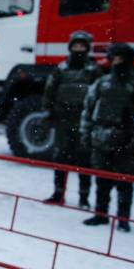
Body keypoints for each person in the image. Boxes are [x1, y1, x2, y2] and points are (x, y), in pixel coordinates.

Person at [81, 43, 134, 232]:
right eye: (114, 57)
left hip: (126, 139)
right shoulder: (102, 82)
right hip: (102, 136)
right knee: (102, 179)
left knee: (124, 181)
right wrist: (86, 133)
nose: (116, 62)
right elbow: (88, 108)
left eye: (120, 58)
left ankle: (123, 219)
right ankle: (101, 214)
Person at [42, 31, 101, 207]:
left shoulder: (93, 71)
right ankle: (58, 194)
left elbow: (99, 97)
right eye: (75, 46)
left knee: (85, 160)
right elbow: (49, 92)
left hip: (83, 121)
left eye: (82, 47)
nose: (78, 49)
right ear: (70, 48)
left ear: (87, 48)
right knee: (61, 158)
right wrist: (49, 112)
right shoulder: (60, 69)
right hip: (63, 121)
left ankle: (84, 198)